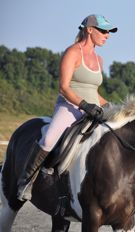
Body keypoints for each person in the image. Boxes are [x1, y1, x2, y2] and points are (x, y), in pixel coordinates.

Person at [17, 14, 118, 201]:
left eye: (109, 32)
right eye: (103, 31)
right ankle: (26, 181)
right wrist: (84, 105)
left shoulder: (99, 60)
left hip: (92, 108)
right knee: (48, 139)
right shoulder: (72, 52)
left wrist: (112, 106)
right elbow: (64, 87)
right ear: (89, 29)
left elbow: (94, 91)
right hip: (70, 106)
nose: (107, 35)